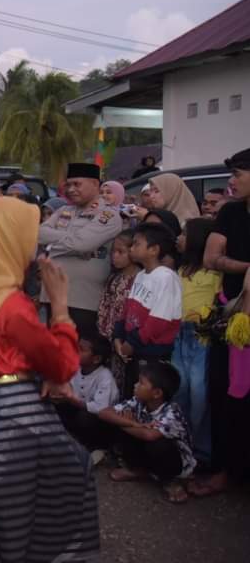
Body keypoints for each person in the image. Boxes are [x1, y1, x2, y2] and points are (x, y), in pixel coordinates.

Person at [0, 197, 98, 562]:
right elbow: (62, 365)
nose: (34, 243)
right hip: (18, 413)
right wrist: (61, 307)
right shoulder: (10, 303)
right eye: (29, 233)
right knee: (48, 492)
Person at [193, 148, 250, 497]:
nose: (231, 181)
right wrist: (247, 269)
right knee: (224, 393)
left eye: (239, 173)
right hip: (231, 318)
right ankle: (226, 469)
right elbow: (211, 258)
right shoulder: (230, 213)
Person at [38, 162, 121, 341]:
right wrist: (72, 240)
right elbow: (39, 234)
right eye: (68, 184)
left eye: (77, 184)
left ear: (95, 184)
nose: (71, 189)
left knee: (78, 358)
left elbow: (82, 244)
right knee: (54, 356)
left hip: (84, 300)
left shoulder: (108, 215)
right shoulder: (62, 210)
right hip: (52, 296)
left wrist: (59, 243)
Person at [97, 362, 195, 504]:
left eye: (141, 383)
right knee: (121, 422)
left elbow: (150, 435)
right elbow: (103, 413)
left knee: (158, 444)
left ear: (157, 393)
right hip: (147, 449)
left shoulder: (172, 411)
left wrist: (124, 423)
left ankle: (170, 481)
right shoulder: (138, 401)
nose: (135, 385)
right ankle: (138, 469)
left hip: (175, 462)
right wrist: (132, 423)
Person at [172, 218, 221, 463]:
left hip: (200, 336)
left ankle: (201, 452)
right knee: (180, 388)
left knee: (199, 393)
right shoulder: (181, 270)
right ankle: (180, 445)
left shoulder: (214, 273)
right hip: (179, 333)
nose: (178, 238)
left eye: (184, 234)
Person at [114, 223, 182, 398]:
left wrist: (132, 343)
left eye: (136, 244)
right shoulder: (141, 274)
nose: (131, 248)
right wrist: (119, 336)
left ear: (153, 250)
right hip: (134, 348)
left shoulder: (166, 278)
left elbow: (159, 320)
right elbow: (128, 310)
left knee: (148, 396)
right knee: (132, 393)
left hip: (152, 351)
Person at [55, 335, 120, 456]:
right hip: (78, 410)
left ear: (96, 359)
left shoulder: (105, 378)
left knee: (85, 417)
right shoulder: (76, 367)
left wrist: (71, 399)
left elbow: (100, 409)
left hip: (99, 423)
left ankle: (92, 447)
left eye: (81, 349)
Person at [97, 230, 140, 392]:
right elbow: (104, 306)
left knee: (122, 381)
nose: (115, 256)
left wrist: (122, 338)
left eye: (120, 252)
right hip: (107, 338)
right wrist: (103, 332)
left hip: (125, 341)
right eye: (113, 251)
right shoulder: (114, 278)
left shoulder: (139, 279)